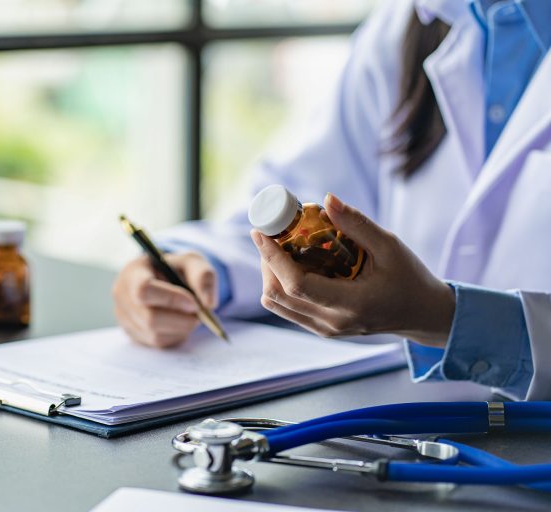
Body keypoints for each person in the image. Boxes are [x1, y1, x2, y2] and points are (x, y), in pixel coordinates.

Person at [112, 0, 551, 401]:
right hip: (407, 424)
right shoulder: (410, 23)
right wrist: (197, 269)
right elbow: (301, 201)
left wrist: (444, 318)